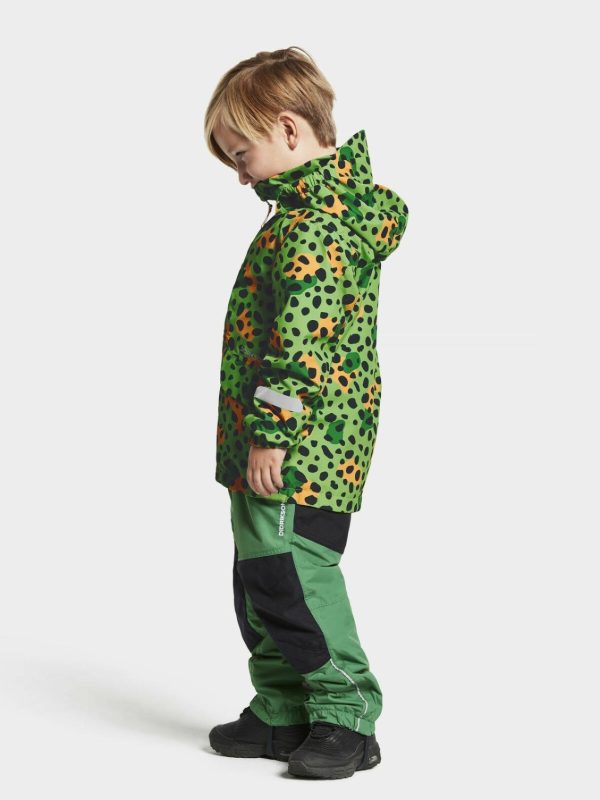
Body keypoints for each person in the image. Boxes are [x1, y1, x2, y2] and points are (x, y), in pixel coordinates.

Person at [203, 46, 409, 780]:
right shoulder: (300, 216)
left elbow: (299, 346)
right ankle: (285, 708)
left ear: (288, 130)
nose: (240, 174)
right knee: (260, 576)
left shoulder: (318, 227)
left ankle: (347, 714)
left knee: (293, 575)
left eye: (242, 154)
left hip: (302, 450)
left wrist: (271, 434)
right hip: (274, 445)